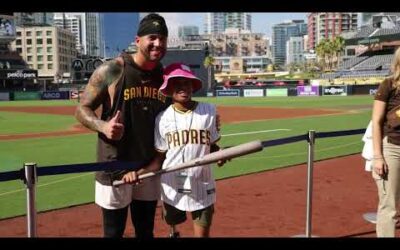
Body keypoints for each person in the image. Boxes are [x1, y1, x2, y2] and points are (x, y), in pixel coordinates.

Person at [75, 13, 170, 239]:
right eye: (152, 38)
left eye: (163, 39)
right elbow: (81, 109)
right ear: (138, 41)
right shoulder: (113, 70)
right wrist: (103, 126)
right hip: (114, 166)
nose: (158, 44)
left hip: (148, 166)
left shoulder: (163, 76)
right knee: (113, 231)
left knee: (146, 230)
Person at [123, 63, 225, 237]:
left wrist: (221, 155)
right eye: (177, 83)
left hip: (203, 184)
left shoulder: (209, 111)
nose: (183, 87)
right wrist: (138, 173)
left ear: (193, 85)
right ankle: (174, 232)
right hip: (172, 184)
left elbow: (213, 146)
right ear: (168, 88)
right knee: (172, 223)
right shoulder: (162, 119)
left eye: (187, 82)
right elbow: (159, 159)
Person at [372, 47, 400, 237]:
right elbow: (377, 122)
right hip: (393, 148)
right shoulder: (389, 85)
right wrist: (378, 156)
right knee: (389, 205)